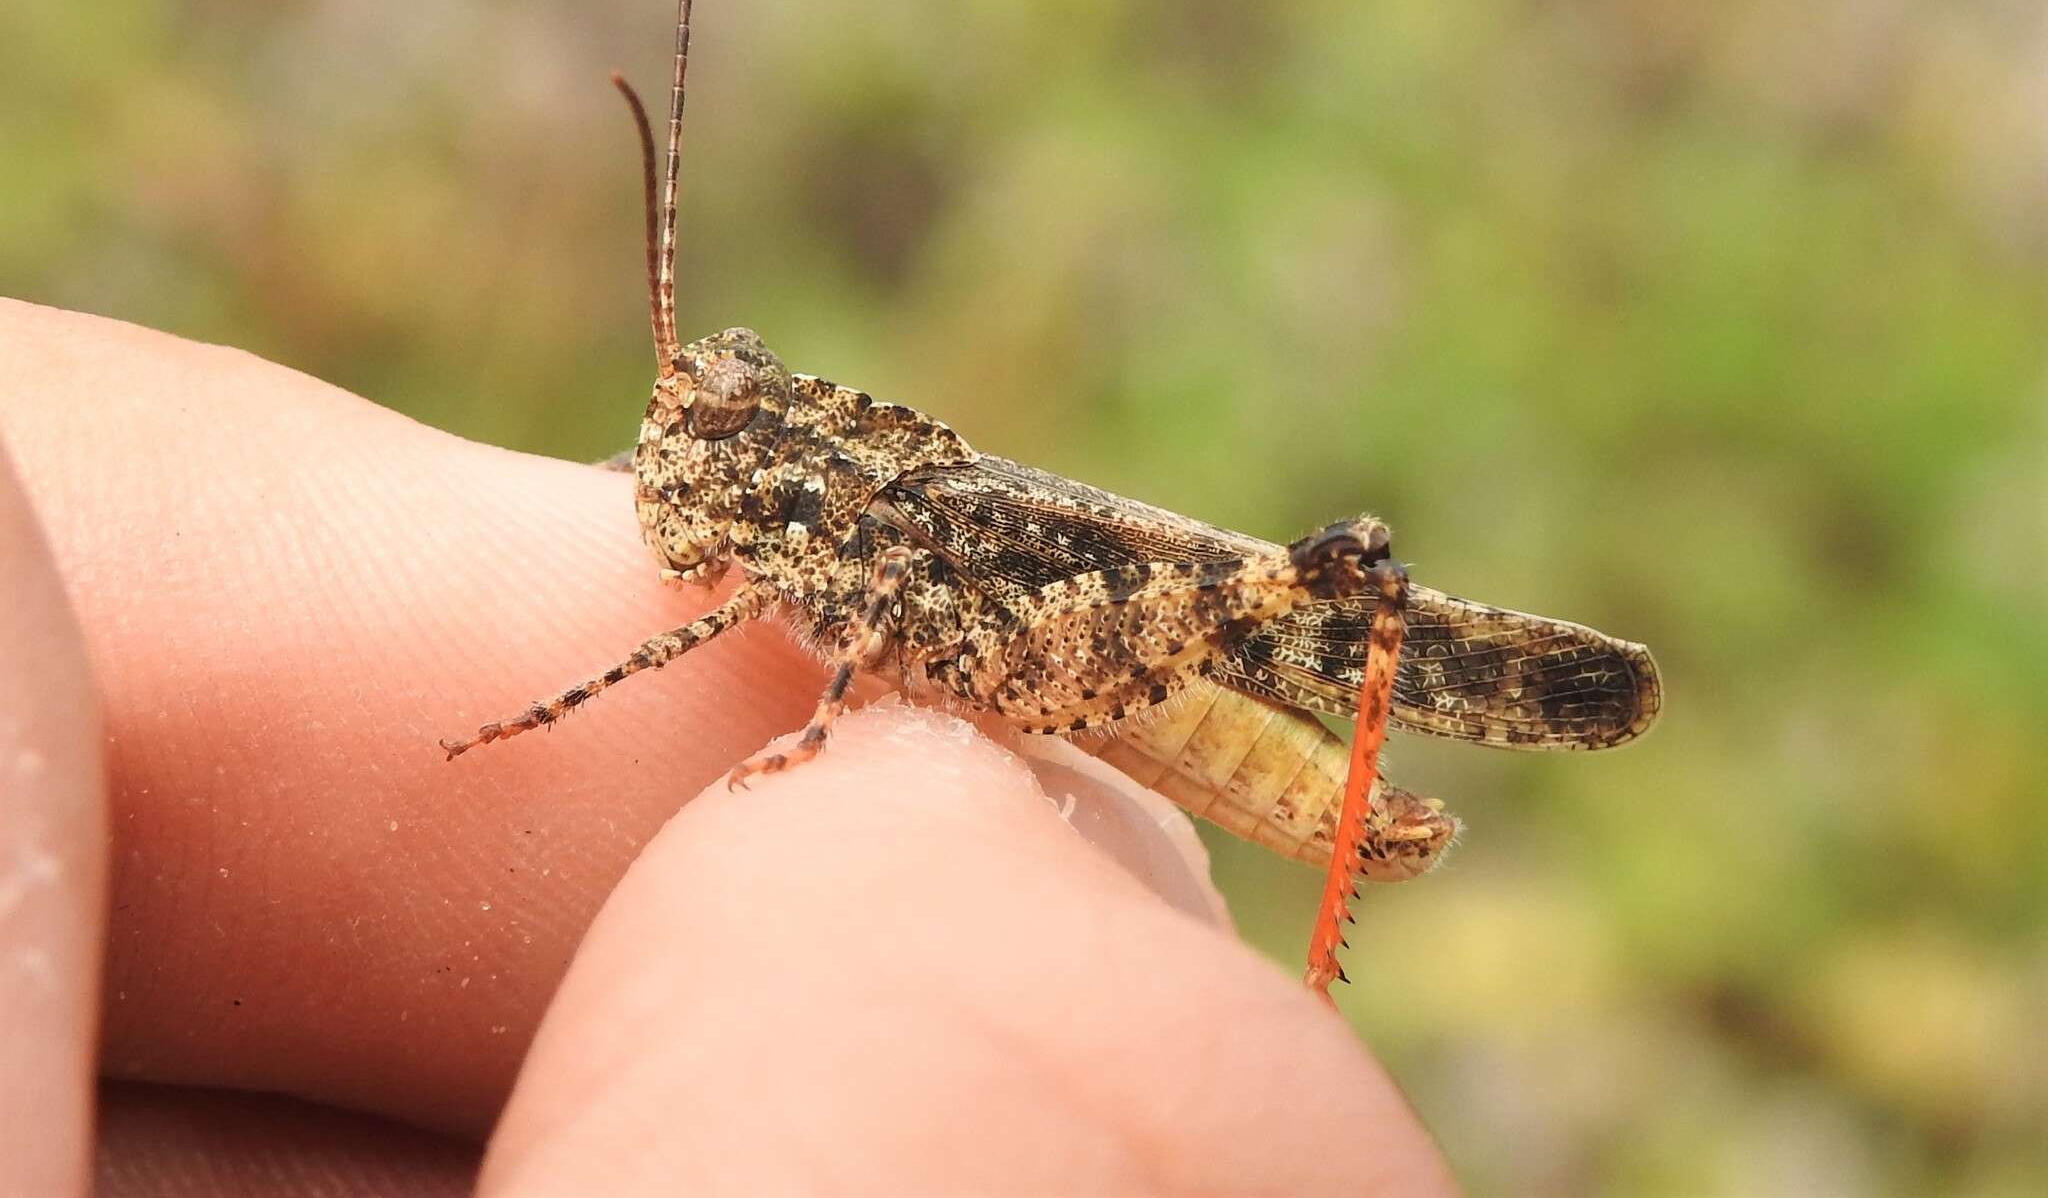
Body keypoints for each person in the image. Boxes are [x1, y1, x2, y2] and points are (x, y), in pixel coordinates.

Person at [1, 299, 1456, 1196]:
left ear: (780, 451)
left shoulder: (877, 528)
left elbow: (840, 612)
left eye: (713, 420)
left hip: (1091, 646)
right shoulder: (791, 511)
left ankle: (1316, 1021)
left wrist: (592, 708)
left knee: (1341, 569)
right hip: (1032, 651)